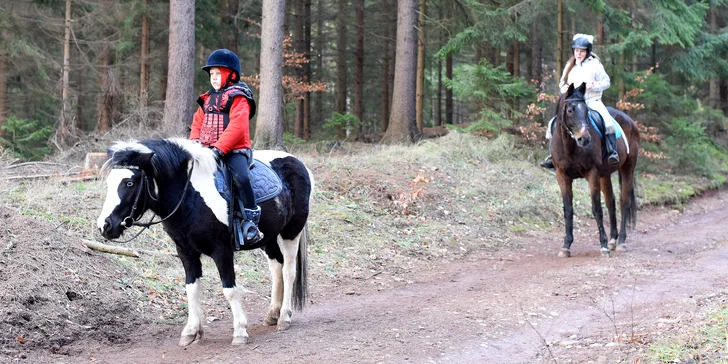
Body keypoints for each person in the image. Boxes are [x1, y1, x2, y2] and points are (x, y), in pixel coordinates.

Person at [189, 48, 262, 246]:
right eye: (211, 74)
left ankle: (250, 221)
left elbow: (238, 126)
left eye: (217, 73)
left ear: (230, 75)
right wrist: (195, 144)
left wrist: (219, 149)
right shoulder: (207, 99)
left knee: (241, 176)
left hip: (233, 151)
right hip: (207, 150)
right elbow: (197, 123)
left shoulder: (239, 97)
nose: (213, 77)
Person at [540, 34, 620, 169]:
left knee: (607, 122)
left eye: (582, 51)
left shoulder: (595, 65)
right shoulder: (570, 65)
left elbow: (606, 82)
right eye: (577, 51)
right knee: (552, 123)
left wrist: (594, 85)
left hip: (592, 101)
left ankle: (612, 152)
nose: (579, 53)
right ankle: (551, 156)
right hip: (573, 104)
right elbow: (562, 83)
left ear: (587, 51)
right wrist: (565, 89)